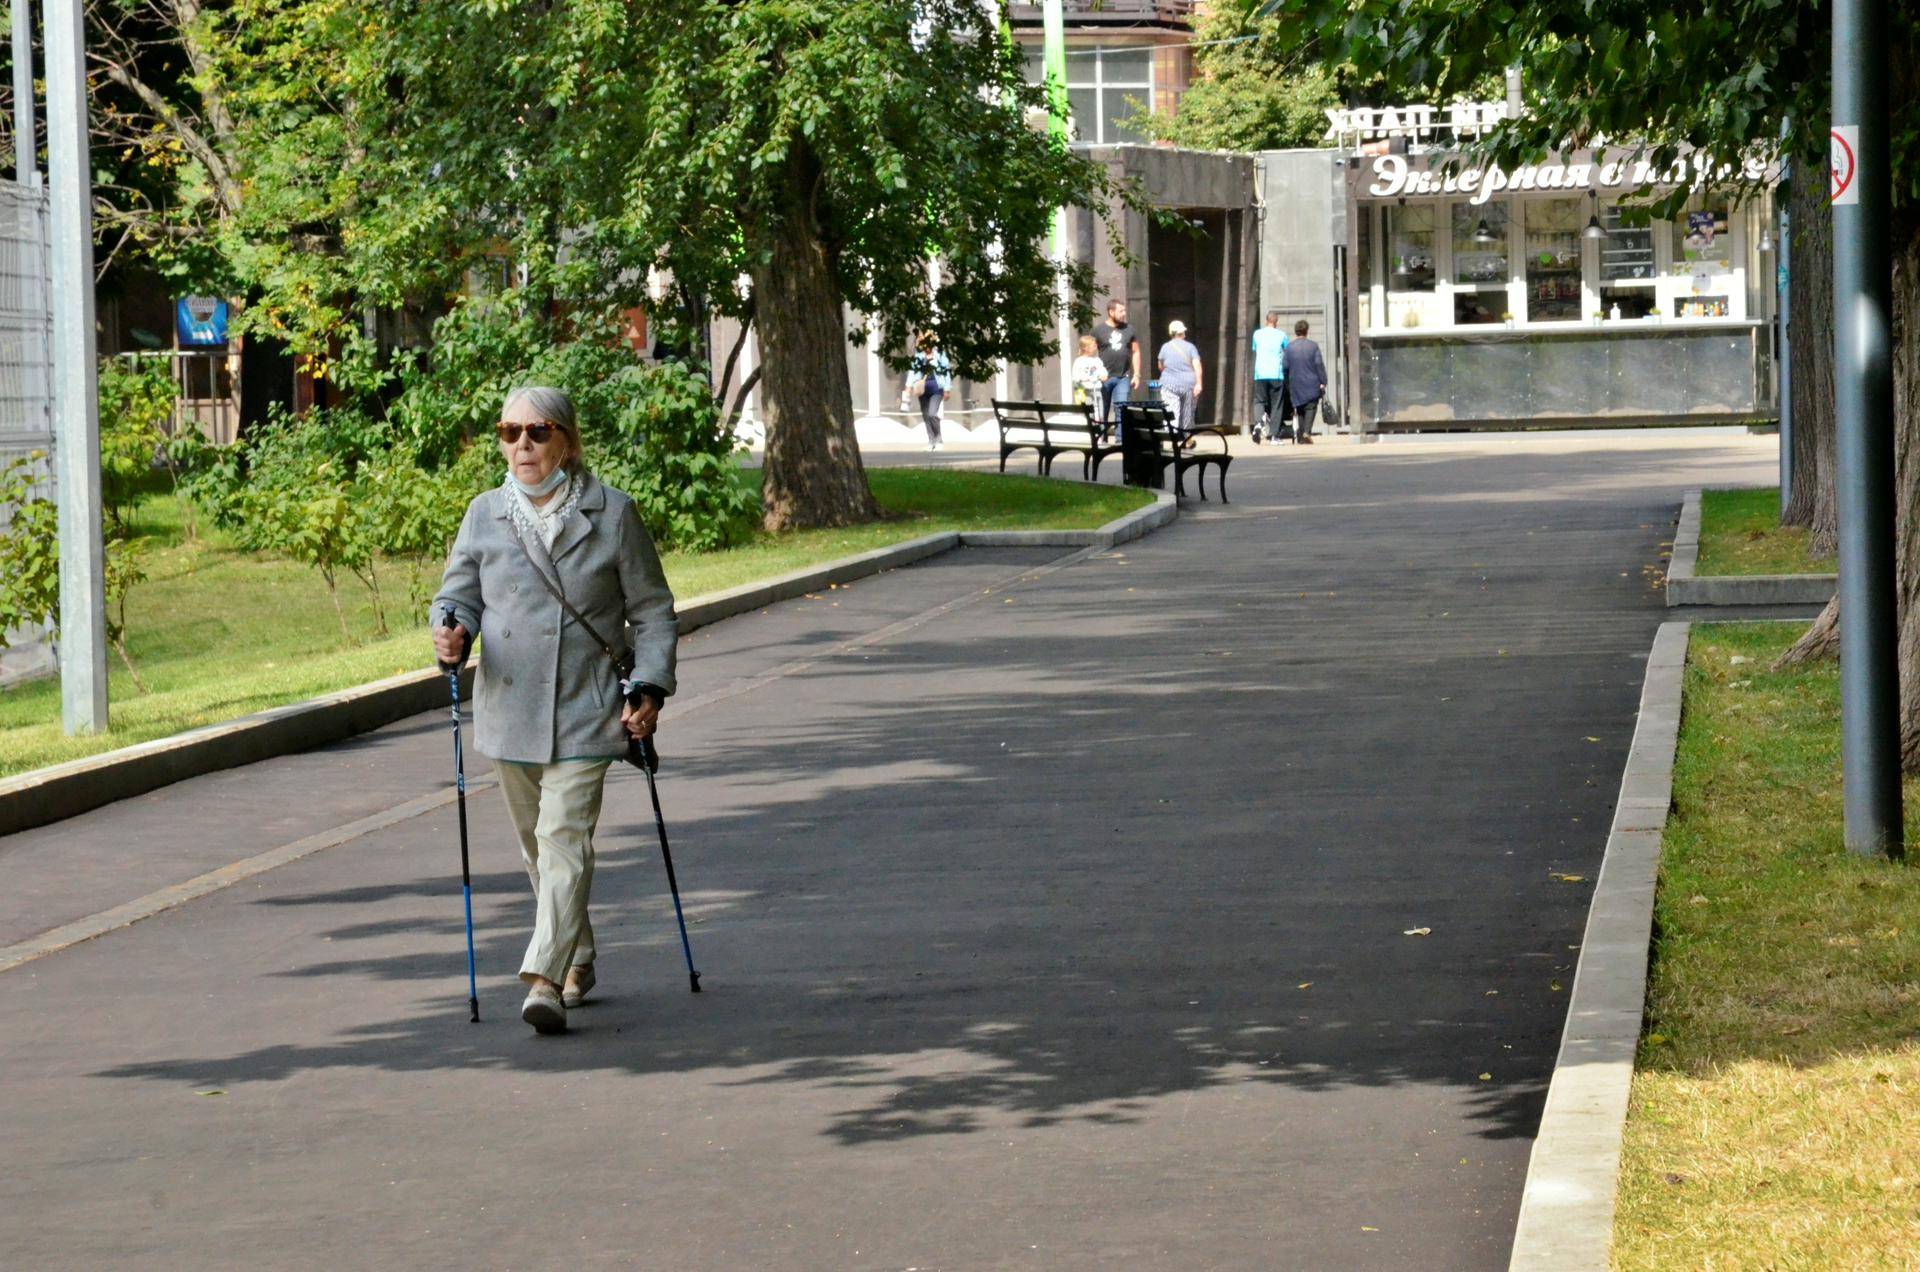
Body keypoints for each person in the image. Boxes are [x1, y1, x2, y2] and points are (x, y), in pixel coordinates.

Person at [431, 386, 678, 1035]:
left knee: (563, 837)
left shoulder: (612, 513)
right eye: (508, 432)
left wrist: (648, 686)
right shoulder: (485, 513)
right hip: (510, 707)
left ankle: (543, 976)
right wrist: (450, 632)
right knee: (538, 852)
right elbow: (456, 597)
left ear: (567, 440)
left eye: (536, 433)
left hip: (588, 703)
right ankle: (578, 954)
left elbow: (651, 612)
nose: (521, 446)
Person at [1089, 299, 1142, 436]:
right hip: (1103, 378)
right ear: (1111, 312)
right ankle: (1102, 439)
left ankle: (1121, 441)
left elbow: (1136, 352)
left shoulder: (1129, 329)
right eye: (1120, 311)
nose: (1124, 314)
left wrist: (1136, 374)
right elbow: (1090, 353)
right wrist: (1094, 374)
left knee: (1122, 409)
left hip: (1122, 377)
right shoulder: (1098, 331)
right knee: (1102, 411)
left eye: (1124, 311)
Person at [1281, 319, 1328, 445]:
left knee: (1299, 408)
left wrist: (1287, 383)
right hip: (1312, 382)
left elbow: (1284, 367)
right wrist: (1323, 380)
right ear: (1307, 331)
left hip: (1295, 383)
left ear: (1296, 332)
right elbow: (1318, 364)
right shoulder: (1313, 346)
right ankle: (1306, 431)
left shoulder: (1289, 348)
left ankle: (1302, 437)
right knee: (1311, 406)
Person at [904, 334, 952, 451]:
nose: (926, 347)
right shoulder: (919, 356)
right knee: (926, 416)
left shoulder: (940, 355)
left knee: (932, 414)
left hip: (937, 389)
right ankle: (931, 441)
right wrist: (908, 386)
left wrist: (947, 388)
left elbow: (947, 372)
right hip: (922, 390)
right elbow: (912, 371)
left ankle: (939, 439)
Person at [1157, 319, 1203, 440]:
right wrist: (1199, 383)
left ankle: (1172, 438)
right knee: (1188, 413)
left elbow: (1160, 366)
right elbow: (1197, 365)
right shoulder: (1190, 347)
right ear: (1182, 333)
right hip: (1189, 385)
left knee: (1172, 412)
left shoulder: (1165, 347)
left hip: (1169, 384)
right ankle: (1187, 438)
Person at [1249, 309, 1289, 444]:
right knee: (1276, 405)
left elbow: (1255, 349)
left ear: (1266, 321)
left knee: (1259, 401)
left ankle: (1259, 422)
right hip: (1276, 374)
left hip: (1260, 373)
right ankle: (1274, 436)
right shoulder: (1282, 335)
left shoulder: (1257, 334)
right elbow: (1286, 350)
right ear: (1276, 322)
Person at [1070, 335, 1107, 408]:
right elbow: (1075, 377)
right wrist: (1081, 380)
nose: (1095, 346)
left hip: (1097, 390)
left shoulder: (1097, 360)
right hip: (1086, 391)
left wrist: (1103, 376)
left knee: (1100, 414)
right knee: (1090, 413)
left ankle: (1099, 419)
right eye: (1093, 345)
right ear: (1085, 347)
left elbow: (1103, 372)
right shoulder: (1079, 361)